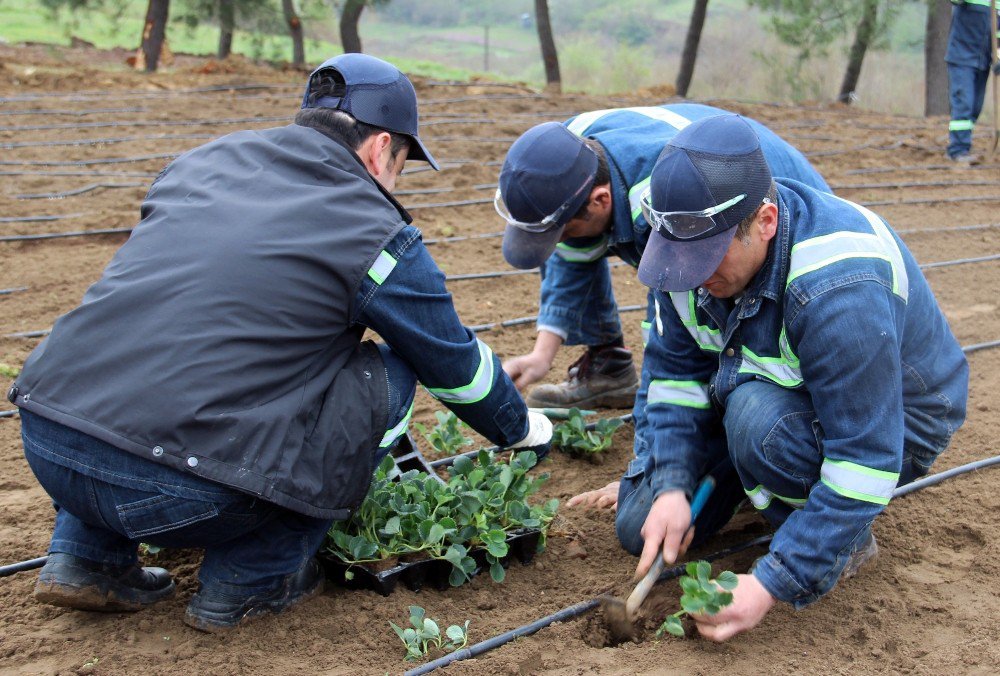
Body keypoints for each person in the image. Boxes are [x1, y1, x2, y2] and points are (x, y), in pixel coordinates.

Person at [8, 53, 551, 633]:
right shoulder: (372, 227)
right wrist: (522, 429)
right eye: (400, 164)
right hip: (186, 491)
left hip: (50, 440)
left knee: (151, 346)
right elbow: (452, 365)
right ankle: (250, 580)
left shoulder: (201, 164)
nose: (395, 179)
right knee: (388, 374)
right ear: (380, 147)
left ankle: (85, 558)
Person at [574, 114, 968, 641]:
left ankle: (840, 541)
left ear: (765, 220)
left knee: (757, 422)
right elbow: (672, 376)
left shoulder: (838, 287)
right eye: (680, 260)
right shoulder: (686, 252)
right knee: (638, 521)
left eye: (706, 259)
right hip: (760, 374)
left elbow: (866, 458)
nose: (694, 279)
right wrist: (670, 483)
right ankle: (753, 467)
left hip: (893, 417)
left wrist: (772, 580)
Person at [496, 104, 830, 411]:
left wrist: (652, 450)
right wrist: (541, 356)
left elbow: (665, 335)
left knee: (716, 299)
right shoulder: (568, 153)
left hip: (777, 214)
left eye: (564, 232)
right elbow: (571, 255)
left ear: (600, 200)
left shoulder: (664, 201)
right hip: (703, 176)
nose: (562, 243)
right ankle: (608, 365)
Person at [945, 0, 1000, 163]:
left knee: (975, 106)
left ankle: (961, 141)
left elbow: (998, 34)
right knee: (964, 103)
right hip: (961, 58)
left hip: (983, 62)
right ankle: (958, 150)